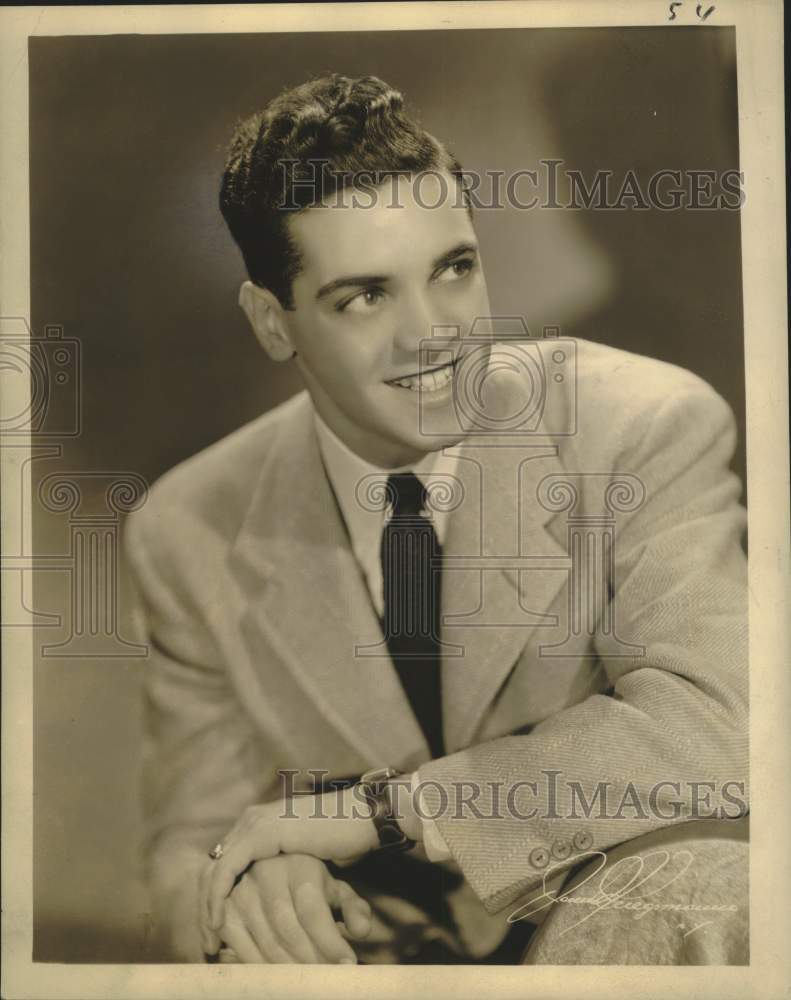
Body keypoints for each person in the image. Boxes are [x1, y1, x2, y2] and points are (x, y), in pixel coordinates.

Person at [125, 74, 749, 965]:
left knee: (706, 886)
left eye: (453, 270)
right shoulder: (187, 527)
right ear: (272, 322)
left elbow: (726, 723)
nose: (435, 335)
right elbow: (186, 849)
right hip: (377, 960)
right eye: (364, 297)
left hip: (614, 941)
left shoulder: (641, 423)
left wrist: (383, 813)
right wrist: (257, 883)